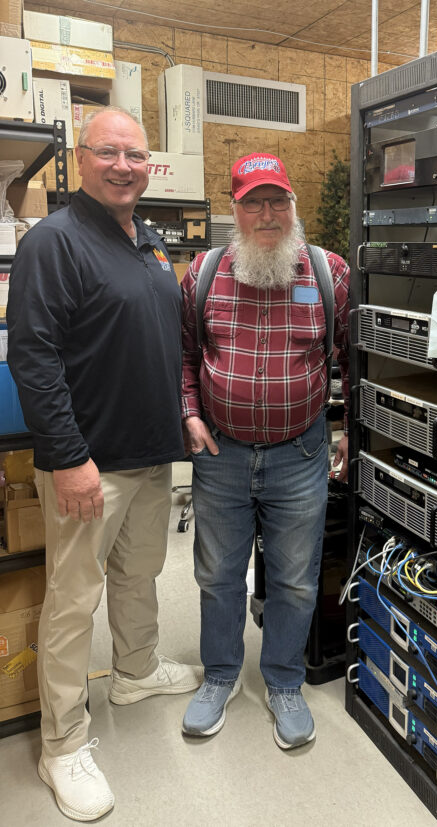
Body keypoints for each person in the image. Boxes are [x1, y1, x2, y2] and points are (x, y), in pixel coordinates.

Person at [7, 106, 203, 822]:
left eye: (137, 155)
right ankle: (62, 743)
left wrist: (181, 417)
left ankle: (136, 670)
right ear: (81, 161)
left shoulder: (146, 243)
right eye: (109, 153)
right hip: (89, 465)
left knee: (139, 573)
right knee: (71, 601)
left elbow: (154, 341)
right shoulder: (54, 242)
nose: (125, 165)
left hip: (151, 455)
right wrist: (67, 457)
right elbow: (32, 355)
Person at [180, 153, 349, 749]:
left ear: (293, 206)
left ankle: (283, 681)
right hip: (220, 456)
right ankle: (220, 675)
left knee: (296, 581)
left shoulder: (328, 273)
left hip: (299, 456)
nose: (268, 213)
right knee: (218, 576)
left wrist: (349, 426)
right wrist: (191, 412)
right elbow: (183, 356)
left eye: (278, 200)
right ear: (235, 210)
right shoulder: (203, 273)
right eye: (254, 201)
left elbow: (350, 359)